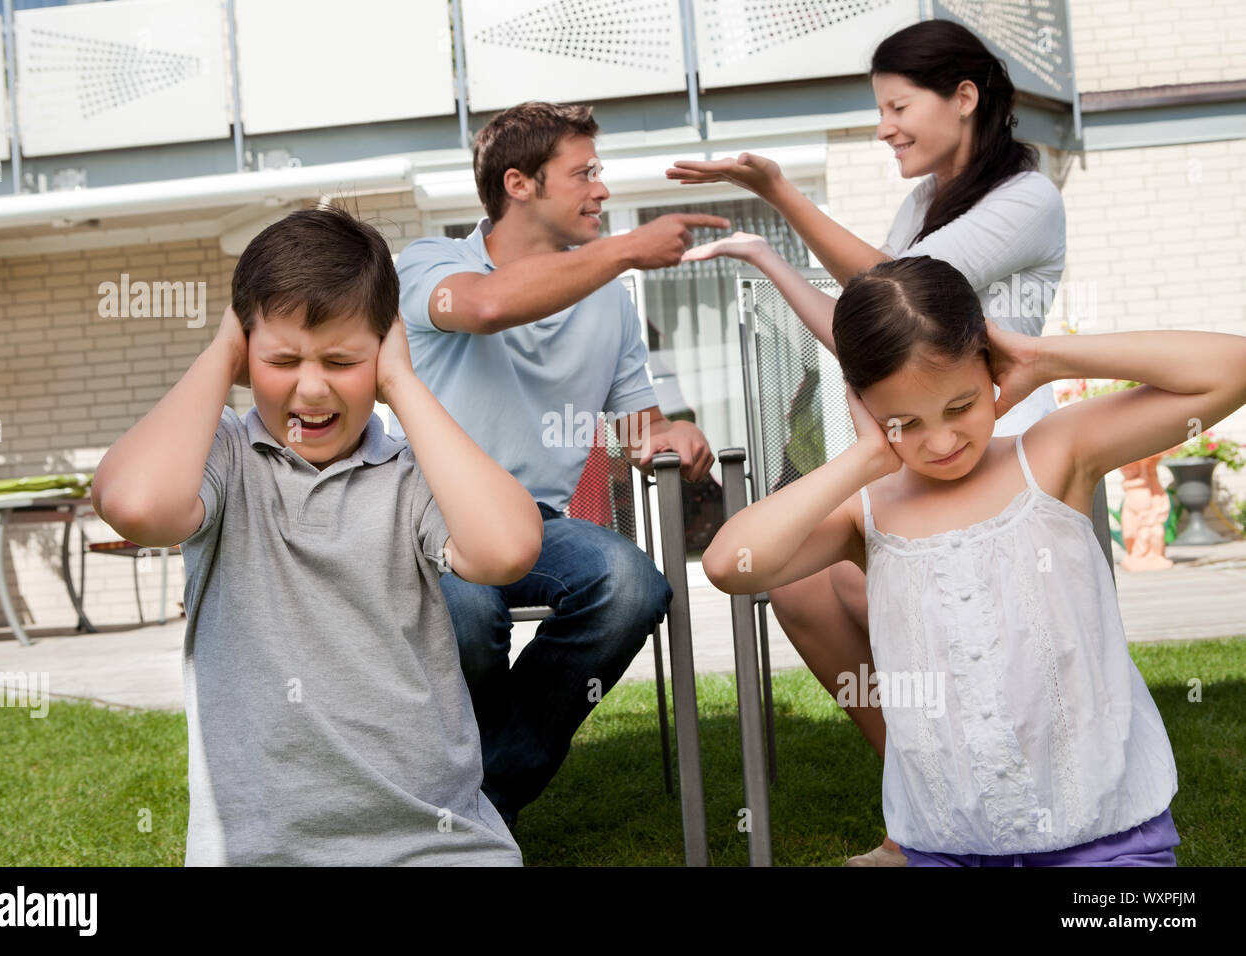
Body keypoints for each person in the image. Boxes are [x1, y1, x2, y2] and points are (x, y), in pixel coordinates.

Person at [670, 18, 1066, 864]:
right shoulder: (927, 200)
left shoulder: (1027, 200)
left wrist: (781, 192)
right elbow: (871, 330)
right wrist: (766, 258)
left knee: (935, 635)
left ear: (964, 98)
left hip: (994, 456)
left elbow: (893, 288)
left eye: (896, 106)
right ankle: (931, 806)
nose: (884, 126)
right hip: (917, 453)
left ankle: (960, 815)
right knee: (804, 591)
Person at [706, 254, 1246, 865]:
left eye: (960, 407)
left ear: (991, 367)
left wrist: (1046, 358)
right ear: (863, 406)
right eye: (903, 422)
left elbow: (1232, 369)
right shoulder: (866, 510)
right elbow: (731, 565)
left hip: (1106, 836)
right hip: (947, 844)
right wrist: (862, 459)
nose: (940, 442)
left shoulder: (1054, 454)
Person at [91, 206, 543, 865]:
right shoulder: (222, 459)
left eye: (342, 359)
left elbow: (506, 550)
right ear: (246, 351)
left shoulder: (409, 474)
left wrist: (404, 384)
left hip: (437, 845)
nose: (310, 387)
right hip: (263, 853)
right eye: (280, 359)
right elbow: (134, 504)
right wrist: (221, 351)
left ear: (383, 353)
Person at [395, 101, 725, 825]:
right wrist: (628, 251)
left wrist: (666, 434)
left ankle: (480, 799)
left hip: (538, 524)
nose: (601, 190)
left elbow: (638, 419)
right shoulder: (431, 263)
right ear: (519, 183)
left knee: (633, 585)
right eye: (584, 174)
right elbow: (481, 308)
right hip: (428, 517)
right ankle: (469, 799)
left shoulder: (606, 298)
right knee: (470, 610)